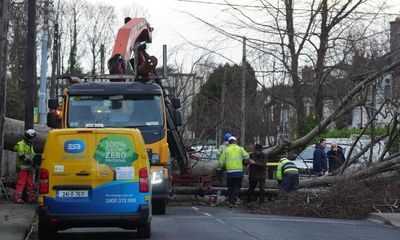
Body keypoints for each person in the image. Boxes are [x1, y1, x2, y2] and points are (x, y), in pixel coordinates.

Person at [219, 136, 250, 208]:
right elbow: (247, 156)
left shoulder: (226, 150)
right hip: (239, 172)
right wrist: (244, 162)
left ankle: (231, 201)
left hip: (230, 172)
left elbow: (221, 161)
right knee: (237, 187)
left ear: (229, 142)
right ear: (235, 141)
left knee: (230, 187)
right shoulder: (240, 149)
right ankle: (233, 200)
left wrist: (221, 167)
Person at [13, 129, 37, 204]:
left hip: (28, 168)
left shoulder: (30, 145)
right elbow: (21, 155)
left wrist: (35, 161)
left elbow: (33, 155)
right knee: (21, 183)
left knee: (29, 183)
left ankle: (31, 198)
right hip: (22, 167)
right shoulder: (21, 144)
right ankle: (17, 198)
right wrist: (29, 161)